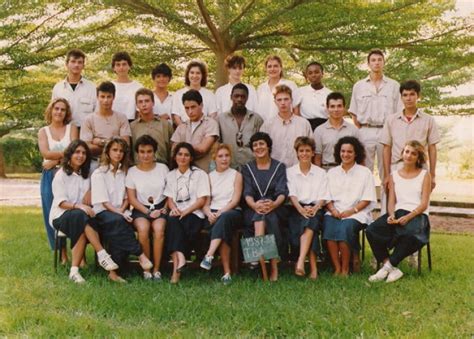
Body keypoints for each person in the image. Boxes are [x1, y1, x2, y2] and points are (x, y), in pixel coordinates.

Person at [49, 140, 119, 283]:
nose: (80, 156)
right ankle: (102, 254)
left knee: (83, 221)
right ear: (70, 154)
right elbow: (61, 203)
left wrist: (91, 190)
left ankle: (74, 272)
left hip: (81, 217)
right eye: (77, 152)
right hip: (60, 216)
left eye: (84, 153)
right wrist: (80, 206)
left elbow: (99, 183)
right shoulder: (61, 175)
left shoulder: (87, 174)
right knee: (81, 216)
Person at [367, 140, 431, 283]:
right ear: (402, 154)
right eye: (406, 151)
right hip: (398, 213)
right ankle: (391, 267)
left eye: (413, 153)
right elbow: (391, 201)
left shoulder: (424, 175)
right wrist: (391, 215)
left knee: (410, 233)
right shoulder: (394, 175)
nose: (409, 155)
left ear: (418, 158)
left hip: (417, 215)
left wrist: (408, 217)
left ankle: (386, 269)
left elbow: (424, 203)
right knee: (372, 230)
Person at [91, 138, 153, 282]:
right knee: (119, 222)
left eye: (121, 151)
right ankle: (141, 255)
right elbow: (104, 202)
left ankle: (113, 274)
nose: (118, 154)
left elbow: (127, 198)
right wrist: (120, 213)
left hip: (121, 212)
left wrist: (123, 211)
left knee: (118, 227)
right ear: (107, 151)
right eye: (115, 150)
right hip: (102, 213)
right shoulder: (99, 174)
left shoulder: (125, 172)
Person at [323, 136, 376, 276]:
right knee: (329, 226)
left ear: (356, 153)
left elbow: (367, 199)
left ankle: (346, 269)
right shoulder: (332, 173)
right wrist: (333, 210)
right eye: (343, 151)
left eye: (349, 152)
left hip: (357, 212)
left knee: (345, 228)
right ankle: (337, 268)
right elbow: (326, 196)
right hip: (335, 211)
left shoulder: (365, 173)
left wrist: (352, 211)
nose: (345, 155)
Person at [348, 49, 403, 180]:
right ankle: (367, 200)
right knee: (364, 171)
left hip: (386, 131)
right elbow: (354, 113)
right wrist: (362, 128)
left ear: (384, 62)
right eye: (373, 60)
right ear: (368, 64)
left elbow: (399, 113)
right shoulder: (359, 86)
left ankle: (385, 200)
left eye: (379, 60)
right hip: (365, 130)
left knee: (386, 170)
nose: (376, 63)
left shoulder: (394, 86)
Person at [242, 132, 288, 281]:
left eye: (261, 143)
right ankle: (272, 267)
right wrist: (255, 205)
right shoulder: (247, 168)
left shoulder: (279, 167)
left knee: (269, 216)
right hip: (253, 208)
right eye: (255, 145)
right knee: (262, 215)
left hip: (276, 207)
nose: (258, 147)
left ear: (268, 146)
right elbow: (247, 193)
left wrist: (274, 204)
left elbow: (282, 192)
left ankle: (258, 257)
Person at [381, 80, 440, 194]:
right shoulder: (391, 120)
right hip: (397, 166)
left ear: (418, 96)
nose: (408, 98)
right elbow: (386, 147)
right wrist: (387, 175)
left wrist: (432, 174)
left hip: (420, 167)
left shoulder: (428, 120)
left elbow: (432, 147)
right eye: (405, 95)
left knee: (418, 204)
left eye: (412, 94)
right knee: (394, 206)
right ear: (401, 97)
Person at [164, 142, 211, 283]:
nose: (183, 158)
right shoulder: (171, 175)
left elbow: (202, 200)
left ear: (191, 158)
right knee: (172, 221)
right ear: (175, 156)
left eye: (186, 155)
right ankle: (181, 259)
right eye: (180, 154)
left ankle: (175, 272)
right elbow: (169, 199)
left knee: (176, 226)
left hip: (195, 213)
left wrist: (185, 211)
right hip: (177, 214)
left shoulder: (199, 174)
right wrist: (174, 209)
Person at [38, 98, 78, 258]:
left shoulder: (72, 129)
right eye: (56, 109)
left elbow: (76, 151)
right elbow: (45, 153)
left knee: (72, 209)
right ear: (51, 110)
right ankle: (62, 253)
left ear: (66, 112)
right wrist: (66, 155)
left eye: (62, 109)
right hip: (50, 176)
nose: (59, 112)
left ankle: (77, 252)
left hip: (69, 174)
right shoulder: (43, 131)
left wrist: (56, 160)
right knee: (52, 211)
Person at [126, 135, 169, 281]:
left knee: (159, 230)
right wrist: (148, 212)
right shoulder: (132, 172)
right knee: (143, 230)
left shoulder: (163, 169)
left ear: (154, 152)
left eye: (149, 151)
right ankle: (146, 268)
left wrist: (165, 208)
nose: (146, 155)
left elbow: (170, 192)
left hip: (161, 207)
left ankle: (157, 269)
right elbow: (131, 198)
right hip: (141, 208)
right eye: (142, 151)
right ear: (137, 153)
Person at [287, 137, 330, 279]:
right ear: (297, 153)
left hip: (316, 208)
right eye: (301, 151)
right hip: (296, 208)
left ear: (312, 153)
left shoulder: (321, 173)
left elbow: (323, 195)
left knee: (312, 221)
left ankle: (300, 261)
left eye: (307, 151)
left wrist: (316, 208)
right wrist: (301, 209)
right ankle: (313, 269)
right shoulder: (290, 172)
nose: (304, 154)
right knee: (309, 225)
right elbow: (292, 194)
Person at [200, 144, 243, 284]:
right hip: (213, 214)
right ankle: (226, 273)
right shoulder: (209, 177)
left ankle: (209, 254)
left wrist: (219, 213)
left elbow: (235, 200)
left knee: (224, 219)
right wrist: (209, 214)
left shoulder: (236, 175)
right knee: (222, 232)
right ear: (214, 158)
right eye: (220, 156)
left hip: (232, 212)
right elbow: (206, 203)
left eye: (227, 155)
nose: (224, 159)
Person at [80, 81, 131, 168]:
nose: (105, 100)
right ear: (97, 97)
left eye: (109, 97)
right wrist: (114, 146)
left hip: (117, 162)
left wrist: (100, 141)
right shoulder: (88, 119)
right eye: (102, 97)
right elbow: (87, 147)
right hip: (95, 162)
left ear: (113, 97)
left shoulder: (122, 118)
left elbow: (125, 145)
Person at [261, 85, 312, 167]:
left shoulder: (303, 123)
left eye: (286, 99)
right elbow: (263, 150)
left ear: (291, 100)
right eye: (279, 100)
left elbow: (311, 148)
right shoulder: (268, 125)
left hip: (298, 170)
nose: (283, 103)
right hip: (276, 171)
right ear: (275, 102)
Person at [171, 89, 219, 172]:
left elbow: (202, 148)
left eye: (193, 107)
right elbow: (173, 150)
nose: (190, 111)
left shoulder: (211, 123)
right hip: (184, 173)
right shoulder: (182, 126)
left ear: (201, 105)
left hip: (205, 172)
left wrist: (182, 147)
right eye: (187, 108)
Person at [218, 83, 264, 170]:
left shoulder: (256, 119)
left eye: (243, 96)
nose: (239, 99)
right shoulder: (221, 119)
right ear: (231, 97)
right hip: (228, 168)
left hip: (251, 168)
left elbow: (263, 145)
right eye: (236, 96)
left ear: (247, 98)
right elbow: (217, 146)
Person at [314, 92, 360, 171]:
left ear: (344, 108)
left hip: (348, 171)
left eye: (339, 106)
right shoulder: (319, 131)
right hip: (326, 171)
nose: (336, 109)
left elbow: (359, 156)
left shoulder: (353, 130)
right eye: (332, 106)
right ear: (327, 108)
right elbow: (317, 157)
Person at [51, 49, 97, 128]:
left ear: (83, 65)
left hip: (85, 132)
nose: (76, 65)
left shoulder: (92, 87)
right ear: (67, 64)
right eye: (73, 61)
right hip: (64, 131)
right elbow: (53, 113)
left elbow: (97, 113)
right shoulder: (58, 88)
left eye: (79, 62)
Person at [131, 88, 173, 165]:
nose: (144, 104)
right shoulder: (132, 126)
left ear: (153, 103)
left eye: (147, 101)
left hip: (161, 166)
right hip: (139, 169)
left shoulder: (165, 125)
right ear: (137, 105)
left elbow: (172, 149)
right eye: (140, 102)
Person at [171, 60, 217, 125]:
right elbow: (176, 116)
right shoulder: (178, 94)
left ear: (202, 75)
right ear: (187, 75)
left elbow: (213, 115)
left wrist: (204, 130)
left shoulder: (210, 95)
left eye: (198, 73)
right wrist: (185, 131)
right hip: (184, 130)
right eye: (192, 73)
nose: (195, 76)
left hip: (204, 130)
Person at [256, 55, 298, 121]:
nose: (272, 69)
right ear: (266, 69)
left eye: (275, 66)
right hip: (263, 127)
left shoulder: (290, 85)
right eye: (269, 66)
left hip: (284, 125)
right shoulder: (261, 88)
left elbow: (296, 108)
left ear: (281, 68)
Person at [293, 62, 332, 130]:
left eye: (316, 72)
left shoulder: (330, 94)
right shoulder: (300, 92)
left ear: (322, 74)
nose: (313, 75)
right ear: (307, 76)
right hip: (305, 127)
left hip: (325, 127)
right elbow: (296, 114)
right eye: (310, 73)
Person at [111, 51, 143, 122]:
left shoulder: (138, 87)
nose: (121, 67)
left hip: (132, 123)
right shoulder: (109, 86)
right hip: (112, 123)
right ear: (114, 68)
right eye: (118, 65)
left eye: (124, 64)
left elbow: (140, 110)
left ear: (129, 66)